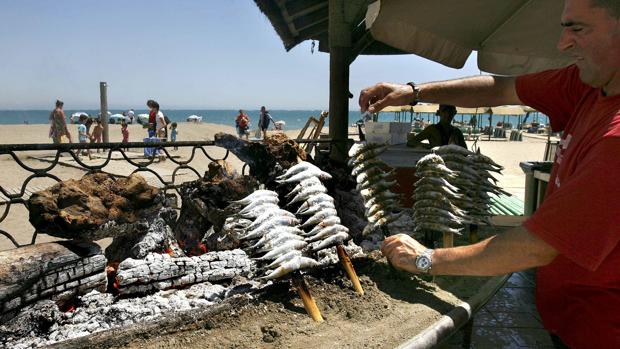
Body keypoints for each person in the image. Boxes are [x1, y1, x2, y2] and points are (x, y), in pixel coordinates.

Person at [358, 1, 620, 348]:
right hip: (571, 316)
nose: (563, 44)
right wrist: (413, 93)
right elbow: (500, 88)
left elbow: (535, 247)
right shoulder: (589, 84)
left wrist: (424, 259)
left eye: (578, 29)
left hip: (603, 328)